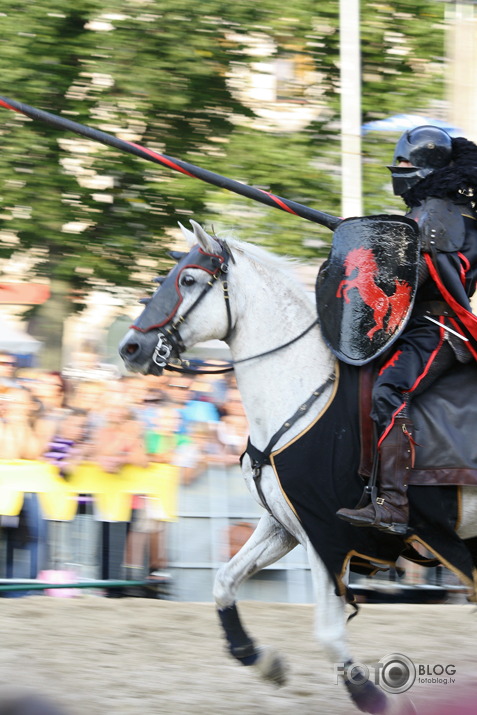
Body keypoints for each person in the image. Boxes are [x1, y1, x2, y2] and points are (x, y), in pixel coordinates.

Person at [337, 125, 477, 534]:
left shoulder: (440, 215)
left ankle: (392, 504)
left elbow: (429, 274)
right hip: (418, 325)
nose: (397, 170)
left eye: (403, 163)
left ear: (425, 167)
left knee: (389, 391)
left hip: (439, 326)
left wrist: (375, 249)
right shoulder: (431, 212)